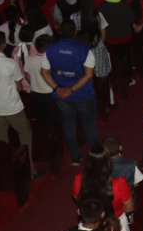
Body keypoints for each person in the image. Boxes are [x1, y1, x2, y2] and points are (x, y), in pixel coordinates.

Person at [0, 31, 39, 177]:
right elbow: (19, 87)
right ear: (4, 45)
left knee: (1, 140)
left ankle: (6, 173)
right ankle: (30, 170)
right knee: (25, 135)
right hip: (12, 106)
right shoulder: (10, 63)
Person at [42, 20, 100, 165]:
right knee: (89, 125)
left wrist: (57, 89)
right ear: (75, 32)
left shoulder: (50, 49)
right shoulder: (84, 48)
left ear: (60, 32)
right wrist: (72, 90)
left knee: (68, 125)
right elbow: (89, 75)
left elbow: (44, 72)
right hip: (83, 95)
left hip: (61, 97)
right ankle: (94, 158)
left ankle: (75, 157)